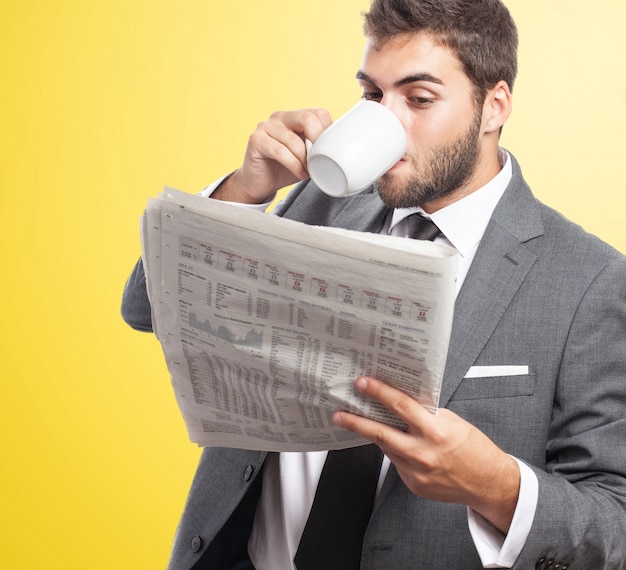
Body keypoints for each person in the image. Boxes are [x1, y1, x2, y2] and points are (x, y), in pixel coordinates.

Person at [121, 0, 626, 568]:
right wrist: (242, 191)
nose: (388, 120)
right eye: (372, 96)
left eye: (419, 98)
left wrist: (497, 487)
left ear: (494, 106)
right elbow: (147, 307)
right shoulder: (322, 200)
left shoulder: (590, 280)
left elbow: (614, 521)